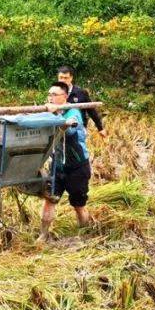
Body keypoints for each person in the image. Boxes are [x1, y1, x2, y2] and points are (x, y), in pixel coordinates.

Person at [38, 82, 93, 243]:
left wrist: (57, 116)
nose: (51, 98)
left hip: (77, 167)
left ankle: (85, 235)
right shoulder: (49, 112)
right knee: (49, 200)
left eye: (55, 95)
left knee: (78, 205)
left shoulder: (73, 112)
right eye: (49, 94)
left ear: (65, 97)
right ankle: (43, 234)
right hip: (56, 166)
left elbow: (70, 130)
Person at [56, 65, 107, 138]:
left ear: (71, 78)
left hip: (78, 129)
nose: (63, 80)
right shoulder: (53, 92)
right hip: (59, 129)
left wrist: (100, 128)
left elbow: (91, 110)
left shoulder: (81, 93)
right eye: (61, 78)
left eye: (66, 78)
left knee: (79, 148)